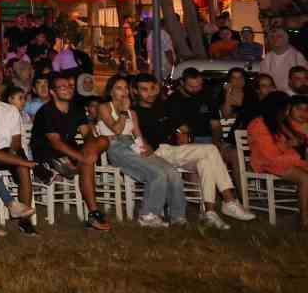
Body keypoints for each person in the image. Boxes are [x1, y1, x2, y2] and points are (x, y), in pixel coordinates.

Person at [131, 74, 254, 229]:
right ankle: (229, 200)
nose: (150, 93)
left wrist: (180, 132)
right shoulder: (133, 111)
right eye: (144, 89)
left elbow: (174, 126)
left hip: (172, 150)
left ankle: (209, 213)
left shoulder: (161, 106)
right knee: (210, 149)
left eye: (152, 88)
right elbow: (134, 137)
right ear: (135, 91)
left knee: (206, 162)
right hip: (157, 154)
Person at [94, 76, 184, 227]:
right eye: (119, 88)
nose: (124, 91)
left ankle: (178, 215)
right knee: (157, 173)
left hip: (133, 145)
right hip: (116, 147)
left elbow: (137, 135)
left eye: (125, 88)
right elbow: (116, 130)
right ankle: (148, 215)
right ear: (111, 91)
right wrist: (123, 112)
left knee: (171, 171)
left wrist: (145, 147)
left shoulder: (132, 112)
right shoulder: (104, 107)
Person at [30, 72, 113, 231]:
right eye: (62, 88)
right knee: (87, 164)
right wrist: (84, 157)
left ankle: (94, 215)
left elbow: (87, 132)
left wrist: (89, 149)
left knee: (103, 140)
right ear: (53, 92)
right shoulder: (46, 112)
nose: (68, 90)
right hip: (48, 155)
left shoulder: (76, 108)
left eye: (69, 86)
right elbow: (56, 144)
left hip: (71, 151)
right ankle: (94, 214)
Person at [245, 93, 308, 228]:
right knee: (305, 178)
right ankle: (304, 220)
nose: (287, 113)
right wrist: (288, 145)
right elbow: (269, 153)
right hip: (267, 162)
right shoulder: (258, 124)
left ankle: (302, 214)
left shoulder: (279, 122)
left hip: (283, 160)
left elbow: (299, 136)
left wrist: (298, 139)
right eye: (286, 109)